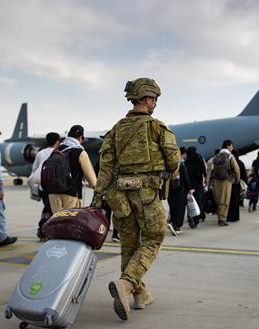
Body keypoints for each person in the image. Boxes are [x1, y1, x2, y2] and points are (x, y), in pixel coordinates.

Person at [93, 78, 180, 320]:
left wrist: (98, 199)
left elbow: (105, 168)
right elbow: (173, 161)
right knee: (153, 238)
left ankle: (139, 294)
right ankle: (127, 283)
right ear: (147, 98)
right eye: (154, 100)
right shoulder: (157, 128)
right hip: (147, 194)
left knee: (129, 244)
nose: (155, 104)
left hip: (120, 197)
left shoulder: (115, 130)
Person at [47, 125, 97, 214]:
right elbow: (92, 180)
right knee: (70, 223)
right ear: (81, 137)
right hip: (71, 194)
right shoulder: (80, 152)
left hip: (53, 193)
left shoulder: (57, 150)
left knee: (57, 223)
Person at [28, 132, 60, 240]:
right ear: (57, 141)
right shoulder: (59, 152)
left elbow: (34, 169)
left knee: (47, 208)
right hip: (55, 186)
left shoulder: (40, 153)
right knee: (51, 210)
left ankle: (44, 230)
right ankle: (43, 230)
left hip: (43, 186)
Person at [212, 139, 240, 226]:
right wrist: (237, 179)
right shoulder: (230, 156)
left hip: (216, 180)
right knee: (225, 199)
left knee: (218, 199)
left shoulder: (216, 156)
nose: (232, 148)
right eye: (231, 146)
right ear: (228, 146)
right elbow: (236, 169)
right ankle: (222, 219)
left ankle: (219, 216)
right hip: (226, 180)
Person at [167, 147, 194, 235]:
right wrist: (189, 188)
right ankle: (177, 225)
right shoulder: (181, 164)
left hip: (170, 189)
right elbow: (186, 178)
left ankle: (172, 221)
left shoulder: (168, 164)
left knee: (172, 206)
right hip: (180, 189)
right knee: (180, 208)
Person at [185, 146, 206, 228]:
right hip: (198, 184)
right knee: (198, 201)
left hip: (189, 184)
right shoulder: (199, 158)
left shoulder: (187, 161)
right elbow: (204, 170)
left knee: (190, 202)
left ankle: (190, 217)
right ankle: (196, 219)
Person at [227, 149, 246, 222]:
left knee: (230, 200)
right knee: (236, 200)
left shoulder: (229, 162)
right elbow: (244, 174)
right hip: (237, 183)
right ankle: (235, 217)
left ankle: (230, 216)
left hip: (230, 182)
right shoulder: (240, 162)